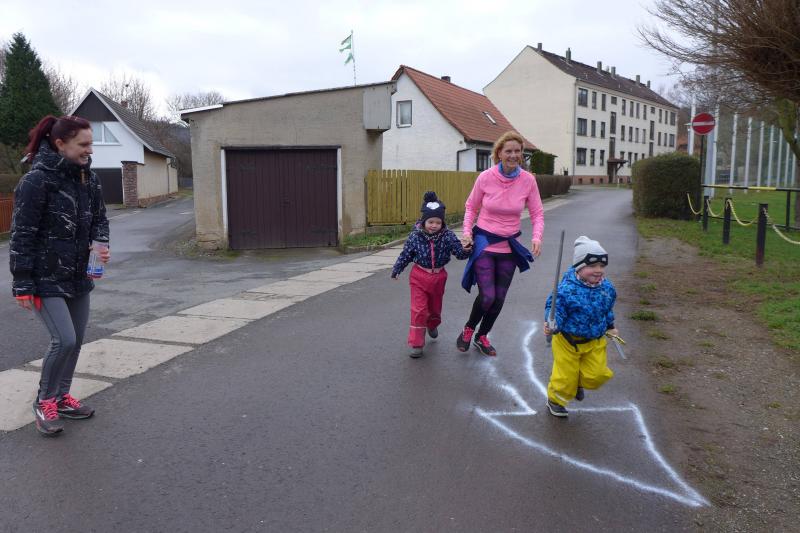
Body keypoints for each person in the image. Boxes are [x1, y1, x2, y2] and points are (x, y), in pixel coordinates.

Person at [10, 115, 110, 436]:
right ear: (60, 144)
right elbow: (22, 235)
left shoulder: (88, 178)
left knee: (76, 340)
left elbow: (100, 218)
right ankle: (45, 402)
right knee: (63, 339)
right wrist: (22, 282)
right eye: (83, 144)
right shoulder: (36, 181)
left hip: (79, 274)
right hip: (45, 277)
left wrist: (100, 244)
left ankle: (62, 397)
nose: (90, 150)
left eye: (90, 144)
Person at [458, 131, 544, 356]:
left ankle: (482, 336)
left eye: (517, 151)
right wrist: (466, 232)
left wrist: (537, 237)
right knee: (487, 296)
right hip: (485, 243)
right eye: (508, 151)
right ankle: (468, 329)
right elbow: (471, 207)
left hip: (509, 246)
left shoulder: (528, 180)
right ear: (499, 153)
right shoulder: (485, 177)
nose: (513, 155)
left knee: (499, 299)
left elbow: (537, 213)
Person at [543, 236, 618, 418]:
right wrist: (552, 323)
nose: (598, 270)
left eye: (602, 265)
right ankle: (556, 400)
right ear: (579, 266)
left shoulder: (607, 288)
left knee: (597, 375)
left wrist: (610, 326)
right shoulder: (566, 289)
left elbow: (607, 309)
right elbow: (554, 308)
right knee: (565, 377)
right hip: (567, 341)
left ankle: (577, 382)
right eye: (592, 265)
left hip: (595, 340)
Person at [391, 192, 471, 358]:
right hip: (418, 276)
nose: (434, 225)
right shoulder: (415, 236)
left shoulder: (447, 236)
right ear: (423, 221)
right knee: (418, 310)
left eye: (438, 222)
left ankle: (432, 324)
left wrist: (467, 249)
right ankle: (416, 343)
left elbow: (459, 253)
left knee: (434, 309)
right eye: (430, 222)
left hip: (438, 277)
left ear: (442, 223)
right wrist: (397, 269)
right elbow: (406, 254)